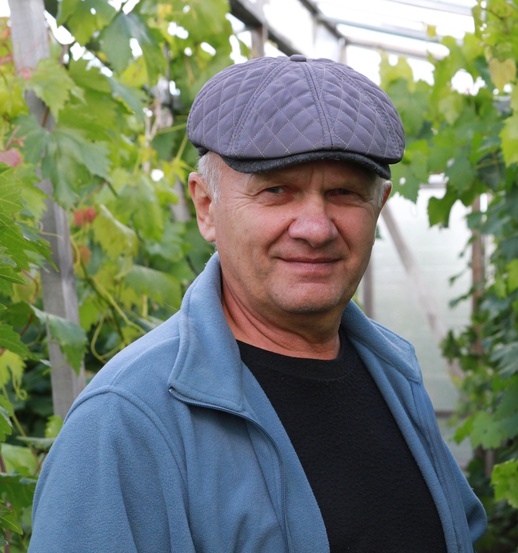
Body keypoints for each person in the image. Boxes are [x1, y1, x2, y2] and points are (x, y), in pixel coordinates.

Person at [29, 55, 486, 552]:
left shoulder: (393, 371)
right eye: (276, 191)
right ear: (207, 206)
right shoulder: (125, 422)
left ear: (379, 204)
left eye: (344, 193)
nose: (316, 228)